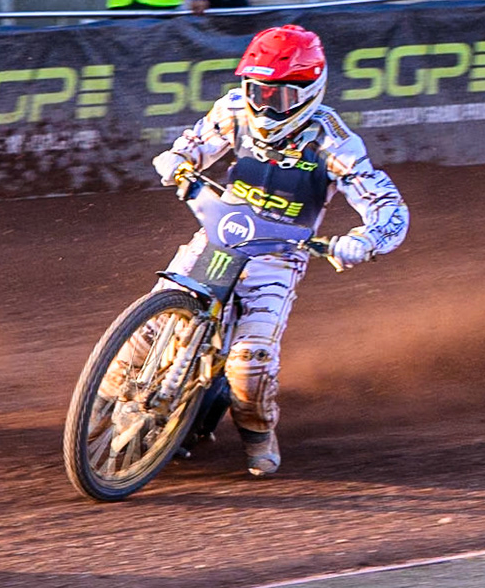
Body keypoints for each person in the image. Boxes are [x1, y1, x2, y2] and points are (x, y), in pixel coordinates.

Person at [150, 25, 409, 475]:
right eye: (256, 90)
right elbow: (194, 142)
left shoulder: (334, 141)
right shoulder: (234, 110)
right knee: (149, 330)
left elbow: (390, 209)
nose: (264, 104)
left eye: (278, 96)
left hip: (280, 252)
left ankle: (256, 432)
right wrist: (177, 158)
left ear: (309, 91)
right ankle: (108, 405)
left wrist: (363, 242)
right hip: (221, 231)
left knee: (251, 362)